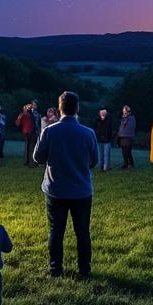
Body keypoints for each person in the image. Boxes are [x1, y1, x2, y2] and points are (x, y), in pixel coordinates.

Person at [33, 91, 98, 278]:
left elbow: (37, 157)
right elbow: (93, 161)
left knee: (56, 231)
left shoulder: (49, 131)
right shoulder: (88, 133)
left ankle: (55, 269)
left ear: (60, 108)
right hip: (81, 190)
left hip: (55, 190)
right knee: (82, 232)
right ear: (77, 108)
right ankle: (84, 270)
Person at [93, 107, 115, 172]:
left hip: (107, 139)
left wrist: (110, 136)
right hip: (99, 140)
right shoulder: (97, 119)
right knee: (100, 154)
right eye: (101, 112)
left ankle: (106, 168)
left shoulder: (109, 119)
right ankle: (100, 167)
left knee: (107, 154)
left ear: (106, 113)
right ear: (99, 113)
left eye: (104, 112)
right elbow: (94, 128)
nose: (103, 113)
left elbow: (111, 128)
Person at [117, 105, 137, 170]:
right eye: (123, 111)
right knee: (124, 151)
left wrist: (125, 118)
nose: (123, 112)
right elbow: (121, 127)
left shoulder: (131, 118)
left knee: (127, 151)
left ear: (128, 111)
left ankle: (128, 164)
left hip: (128, 137)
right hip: (122, 137)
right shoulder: (123, 118)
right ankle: (127, 163)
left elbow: (129, 127)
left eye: (125, 111)